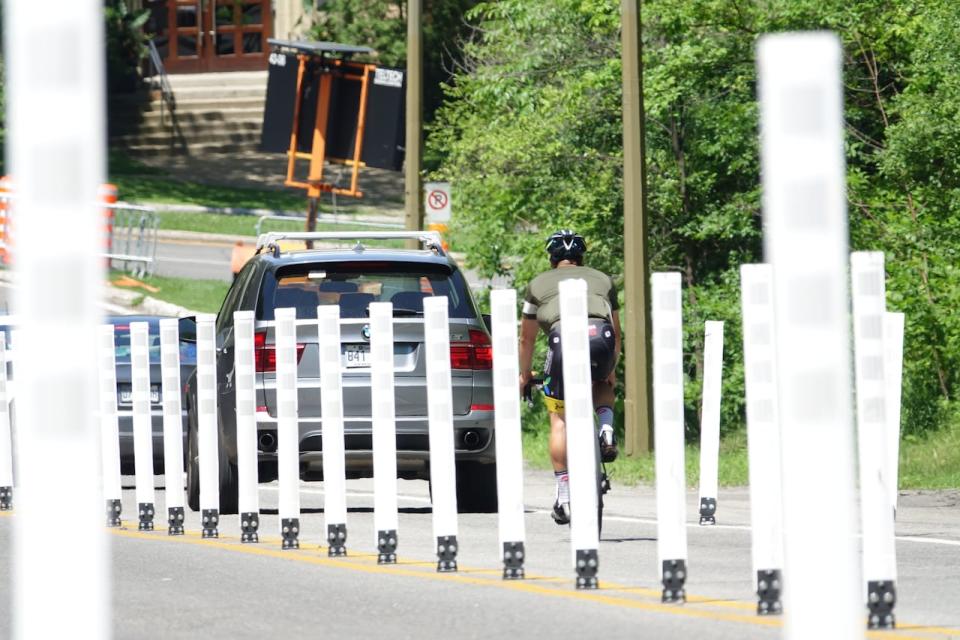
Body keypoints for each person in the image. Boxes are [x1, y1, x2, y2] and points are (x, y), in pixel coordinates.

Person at [519, 229, 621, 525]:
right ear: (581, 258)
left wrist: (525, 375)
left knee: (559, 417)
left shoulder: (537, 284)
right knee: (601, 383)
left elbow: (526, 339)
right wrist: (611, 369)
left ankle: (564, 496)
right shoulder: (603, 279)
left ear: (552, 259)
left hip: (561, 340)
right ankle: (606, 428)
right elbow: (617, 331)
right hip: (601, 337)